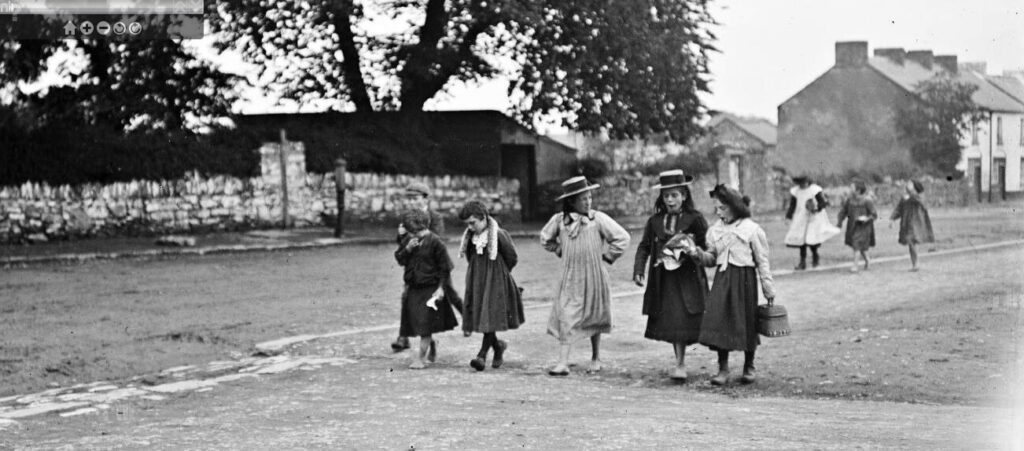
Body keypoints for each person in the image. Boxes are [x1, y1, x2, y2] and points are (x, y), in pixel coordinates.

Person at [686, 185, 776, 386]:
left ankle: (749, 365)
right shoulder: (715, 230)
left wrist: (768, 288)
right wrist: (697, 254)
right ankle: (723, 367)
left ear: (735, 207)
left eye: (722, 208)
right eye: (716, 208)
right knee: (719, 320)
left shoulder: (751, 230)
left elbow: (762, 261)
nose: (718, 212)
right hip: (722, 281)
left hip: (744, 282)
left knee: (746, 321)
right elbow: (711, 259)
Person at [540, 176, 630, 376]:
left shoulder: (597, 219)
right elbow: (545, 238)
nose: (588, 202)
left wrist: (607, 257)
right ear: (571, 201)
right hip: (570, 275)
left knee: (594, 314)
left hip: (594, 275)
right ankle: (563, 361)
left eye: (589, 197)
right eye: (583, 199)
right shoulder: (559, 221)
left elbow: (622, 238)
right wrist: (557, 249)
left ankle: (596, 356)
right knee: (566, 314)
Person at [632, 170, 709, 382]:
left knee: (688, 315)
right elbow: (644, 246)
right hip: (663, 280)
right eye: (666, 196)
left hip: (688, 278)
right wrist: (639, 270)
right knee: (673, 317)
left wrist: (693, 250)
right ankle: (680, 363)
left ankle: (712, 362)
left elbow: (707, 247)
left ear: (684, 195)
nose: (670, 200)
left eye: (674, 195)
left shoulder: (695, 219)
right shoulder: (655, 221)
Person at [391, 182, 463, 352]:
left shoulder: (435, 217)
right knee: (406, 297)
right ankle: (404, 337)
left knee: (450, 294)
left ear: (426, 199)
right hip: (414, 266)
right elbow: (400, 245)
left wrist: (412, 234)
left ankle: (469, 319)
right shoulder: (405, 217)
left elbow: (437, 238)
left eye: (415, 198)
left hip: (435, 266)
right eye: (408, 199)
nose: (411, 203)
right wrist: (402, 236)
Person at [457, 200, 525, 371]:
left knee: (489, 315)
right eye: (468, 224)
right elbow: (471, 257)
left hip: (495, 280)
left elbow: (512, 256)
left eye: (473, 223)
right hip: (478, 280)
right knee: (483, 316)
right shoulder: (471, 237)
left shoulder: (499, 234)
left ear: (484, 218)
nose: (471, 227)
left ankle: (481, 355)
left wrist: (499, 274)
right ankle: (498, 346)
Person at [784, 175, 840, 270]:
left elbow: (823, 203)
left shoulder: (814, 190)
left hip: (813, 219)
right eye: (800, 183)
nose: (802, 185)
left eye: (804, 182)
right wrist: (788, 217)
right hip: (801, 217)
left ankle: (815, 257)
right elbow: (792, 206)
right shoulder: (796, 191)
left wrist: (816, 208)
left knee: (812, 239)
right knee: (802, 241)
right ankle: (802, 262)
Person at [890, 180, 934, 272]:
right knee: (911, 243)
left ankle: (916, 263)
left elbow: (920, 201)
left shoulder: (919, 196)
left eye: (910, 184)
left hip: (916, 222)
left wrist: (911, 192)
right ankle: (915, 263)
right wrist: (892, 219)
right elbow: (899, 209)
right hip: (906, 222)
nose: (908, 185)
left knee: (911, 240)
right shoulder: (904, 197)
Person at [836, 180, 878, 272]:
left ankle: (855, 265)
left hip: (864, 227)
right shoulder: (850, 200)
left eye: (852, 188)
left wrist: (866, 218)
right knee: (859, 246)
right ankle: (868, 260)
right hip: (852, 227)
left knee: (856, 244)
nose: (850, 190)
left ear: (858, 190)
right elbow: (843, 211)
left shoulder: (867, 200)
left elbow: (874, 214)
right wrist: (839, 221)